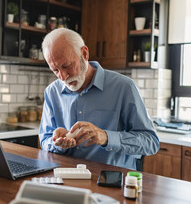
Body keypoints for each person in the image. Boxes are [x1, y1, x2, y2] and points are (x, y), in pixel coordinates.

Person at [39, 28, 159, 170]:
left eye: (67, 66)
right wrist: (57, 143)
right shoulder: (52, 92)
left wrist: (106, 137)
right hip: (67, 178)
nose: (63, 76)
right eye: (55, 70)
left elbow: (150, 142)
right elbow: (45, 139)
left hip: (111, 181)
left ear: (84, 53)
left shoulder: (124, 87)